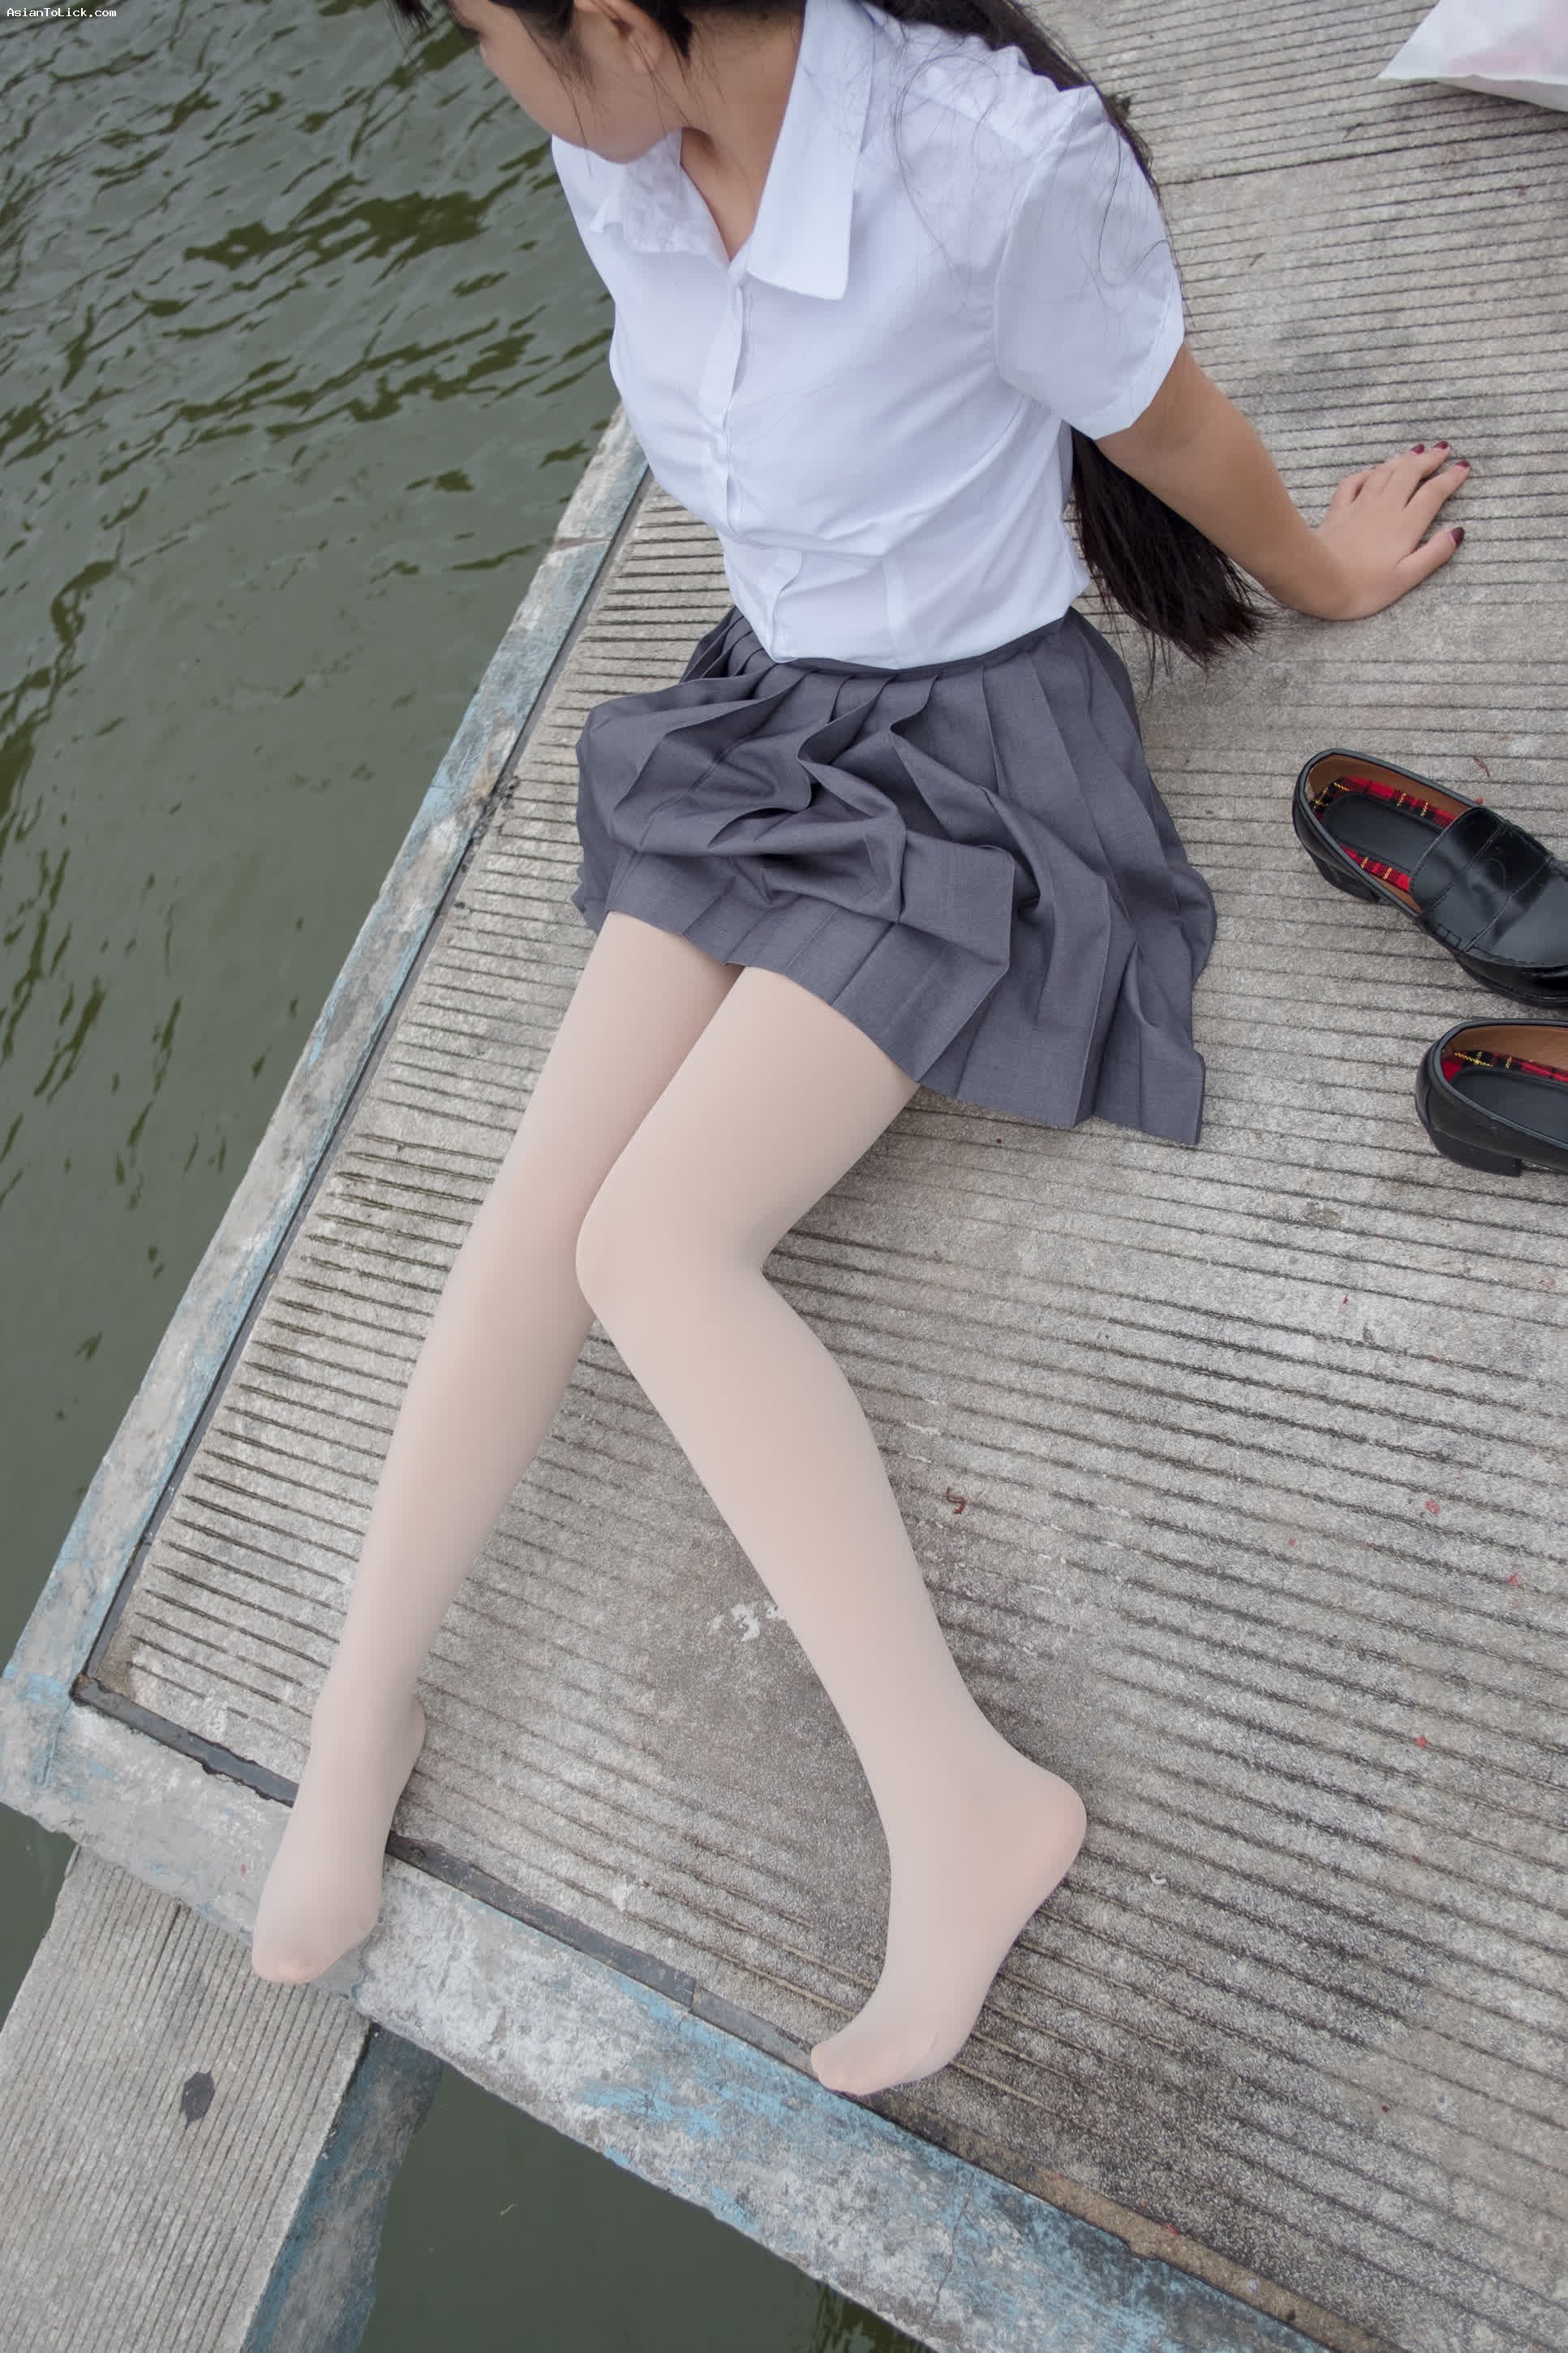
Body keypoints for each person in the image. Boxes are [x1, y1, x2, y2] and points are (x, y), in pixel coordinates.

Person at [250, 0, 1470, 2100]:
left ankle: (967, 1801)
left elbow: (1166, 426)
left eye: (491, 37)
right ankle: (362, 1708)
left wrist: (1320, 573)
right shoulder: (629, 155)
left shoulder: (974, 165)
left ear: (613, 23)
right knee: (543, 1201)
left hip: (977, 772)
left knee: (655, 1245)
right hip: (779, 726)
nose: (495, 82)